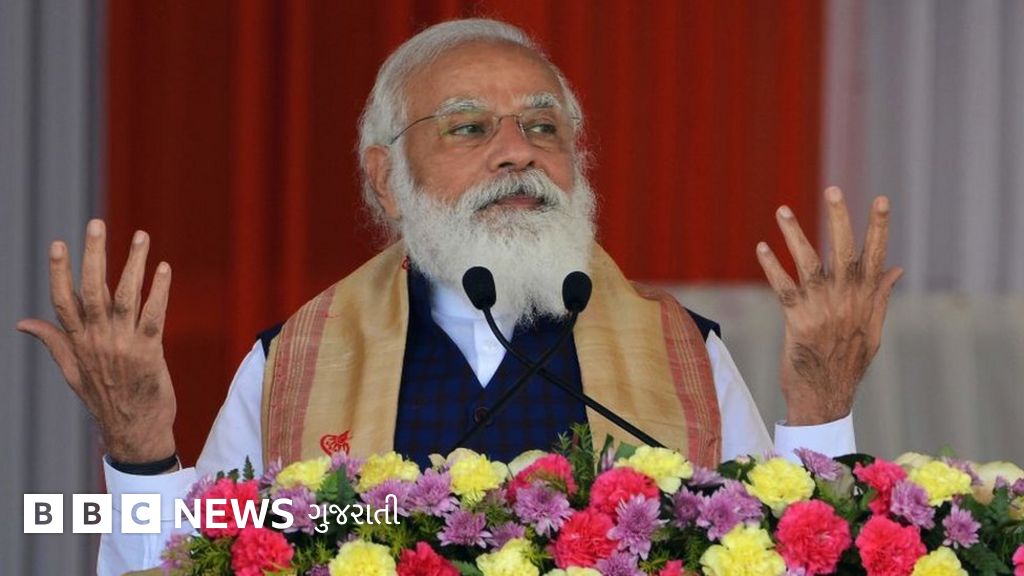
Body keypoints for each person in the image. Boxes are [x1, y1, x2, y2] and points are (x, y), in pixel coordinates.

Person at [17, 19, 901, 575]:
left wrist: (822, 410)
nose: (518, 151)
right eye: (470, 127)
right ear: (386, 178)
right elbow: (184, 564)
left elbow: (792, 557)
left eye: (543, 126)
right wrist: (139, 451)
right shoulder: (295, 361)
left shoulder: (680, 351)